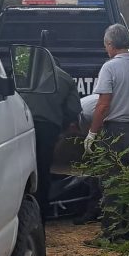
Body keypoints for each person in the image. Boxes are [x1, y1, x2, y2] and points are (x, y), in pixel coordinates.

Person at [84, 24, 129, 243]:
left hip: (115, 132)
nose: (106, 49)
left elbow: (103, 105)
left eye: (106, 45)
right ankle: (128, 232)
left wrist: (92, 133)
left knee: (111, 183)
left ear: (111, 44)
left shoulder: (110, 68)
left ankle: (111, 235)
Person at [22, 61, 81, 223]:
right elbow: (73, 109)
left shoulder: (26, 75)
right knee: (42, 170)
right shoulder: (66, 78)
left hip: (23, 124)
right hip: (48, 128)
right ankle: (41, 215)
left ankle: (21, 210)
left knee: (20, 168)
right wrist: (60, 127)